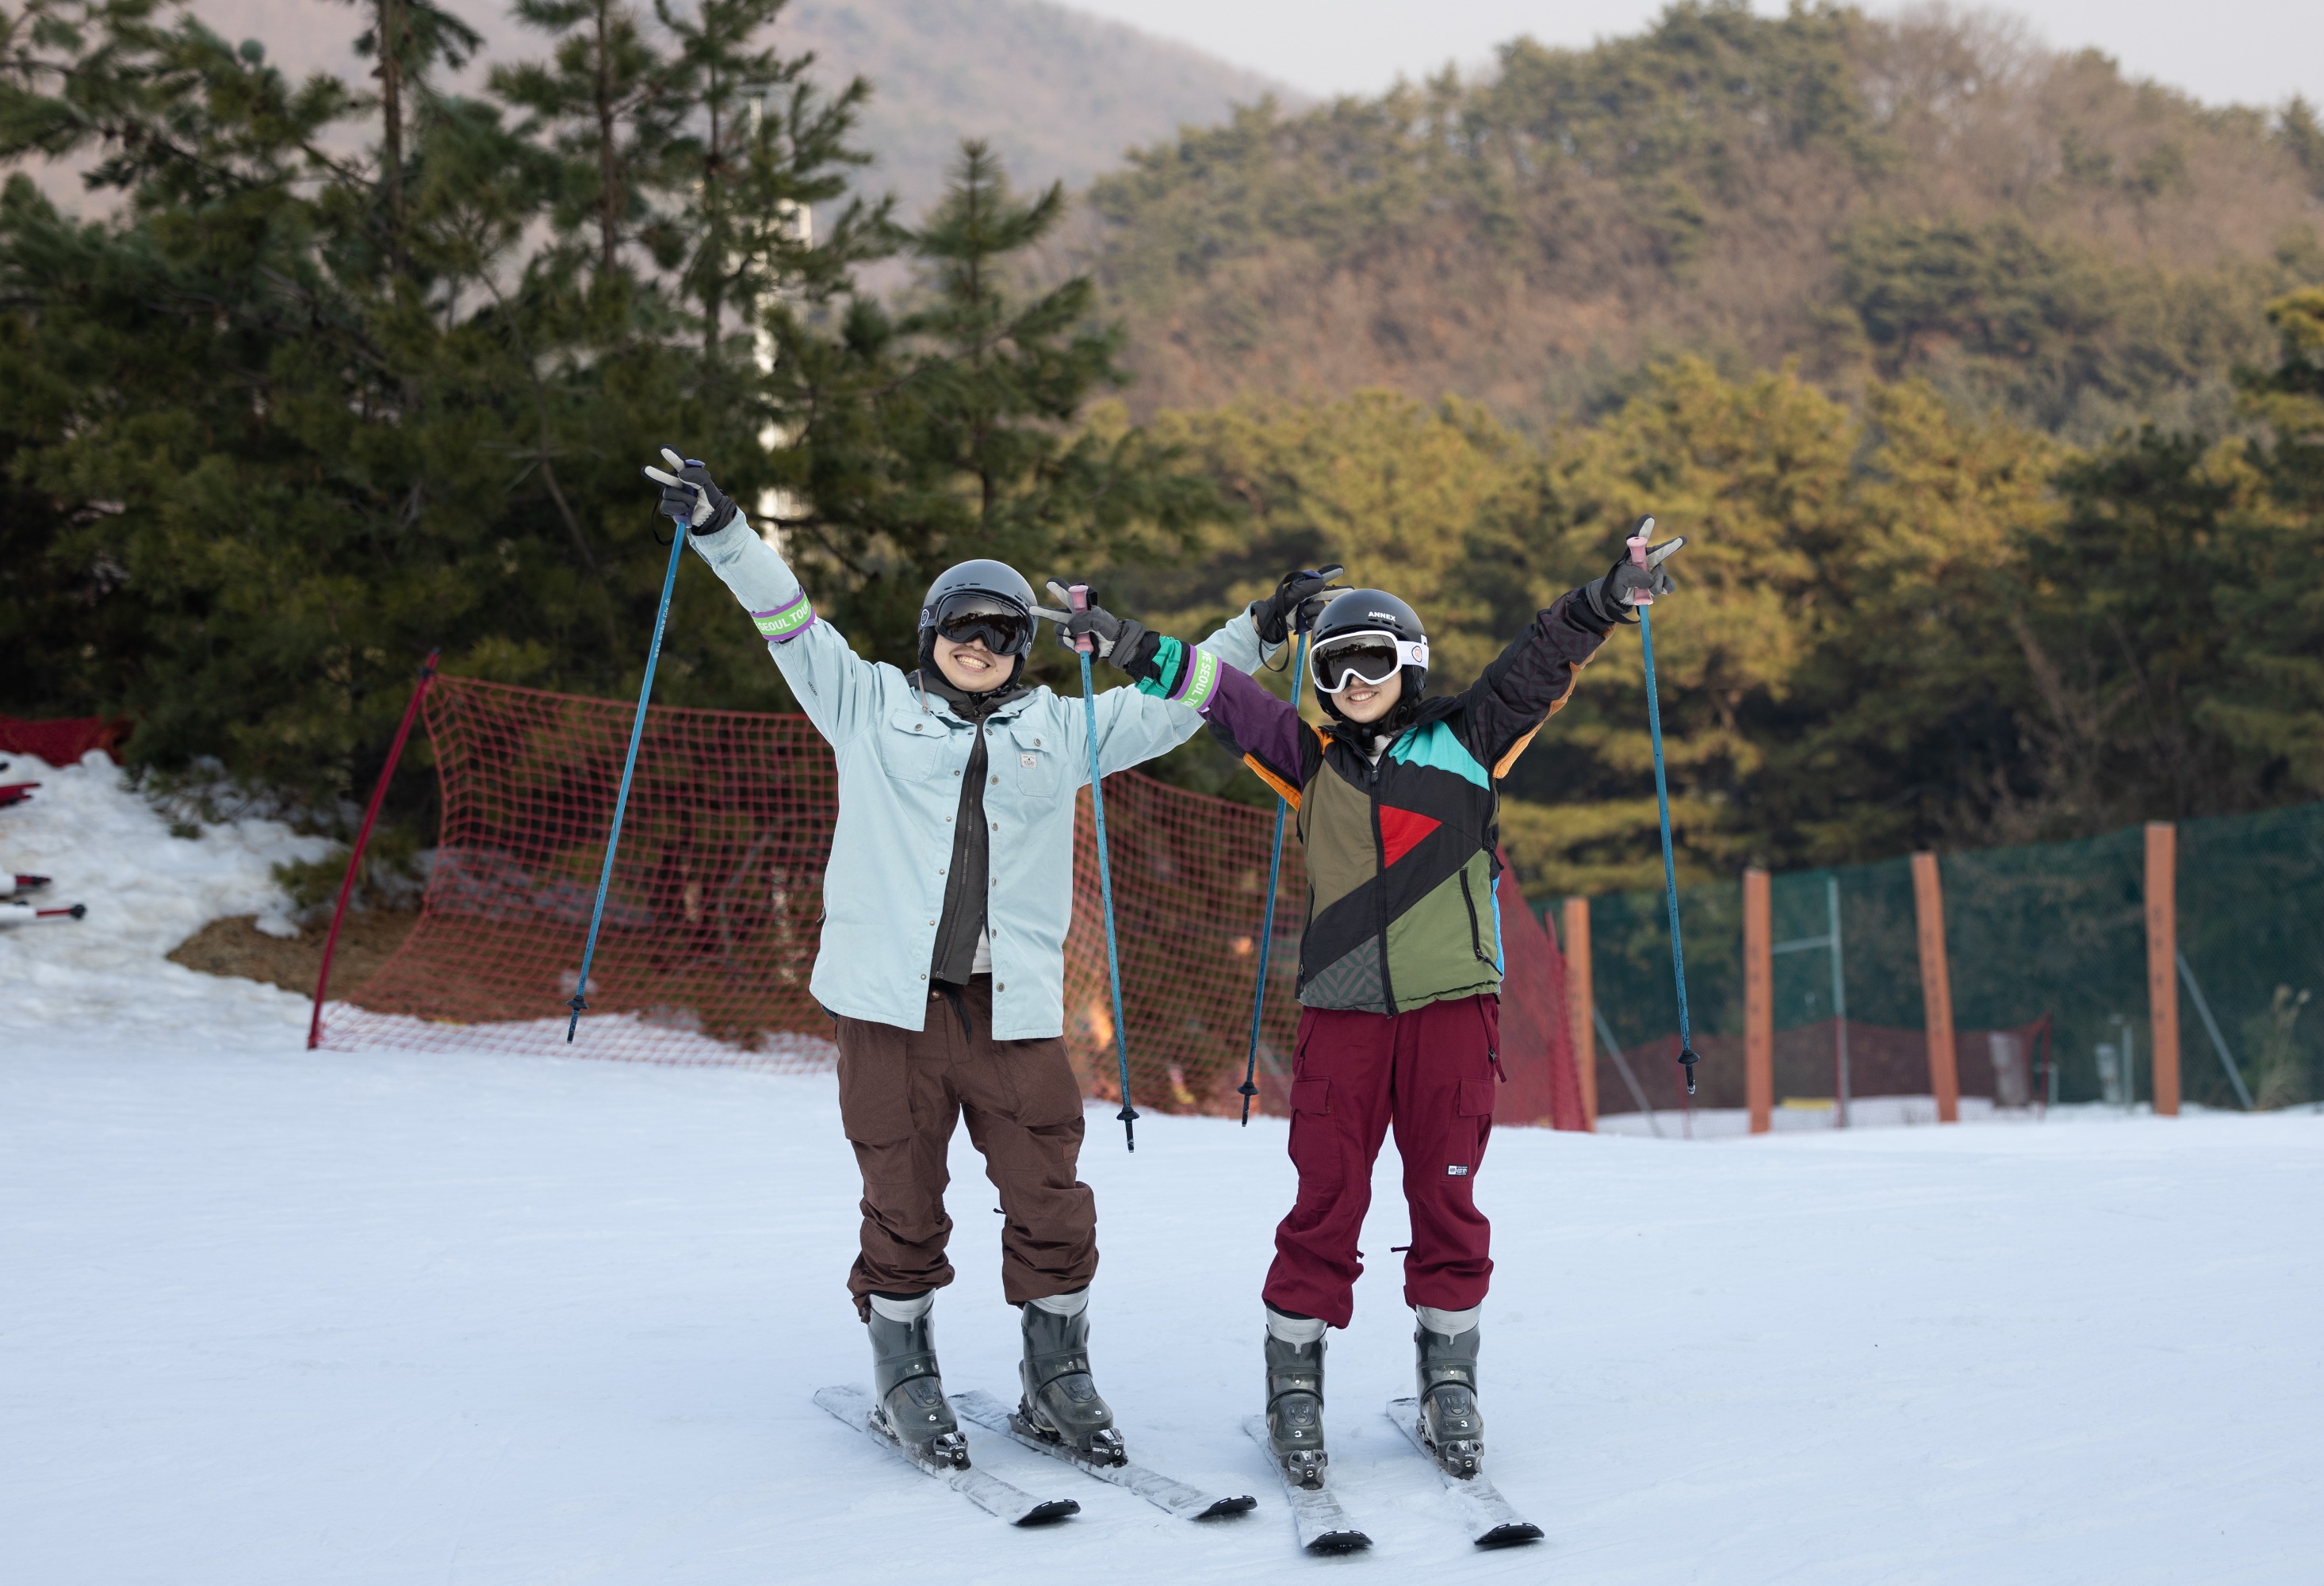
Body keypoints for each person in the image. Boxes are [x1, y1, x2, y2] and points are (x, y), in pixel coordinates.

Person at [642, 450, 1265, 1470]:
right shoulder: (866, 704)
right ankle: (906, 1370)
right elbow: (788, 618)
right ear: (931, 635)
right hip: (889, 1006)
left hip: (1008, 1005)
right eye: (964, 626)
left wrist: (1258, 632)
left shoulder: (1061, 729)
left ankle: (1056, 1374)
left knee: (1050, 1187)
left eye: (1005, 630)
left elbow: (1174, 703)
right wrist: (722, 529)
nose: (982, 644)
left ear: (1025, 648)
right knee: (902, 1188)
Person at [1055, 522, 1685, 1489]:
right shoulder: (1306, 758)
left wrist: (1607, 596)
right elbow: (1215, 692)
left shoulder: (1473, 739)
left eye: (1373, 663)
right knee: (1328, 1198)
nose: (1354, 683)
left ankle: (1449, 1381)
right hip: (1342, 1019)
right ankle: (1294, 1385)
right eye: (1338, 668)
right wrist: (1121, 640)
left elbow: (1540, 659)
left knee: (1445, 1194)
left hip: (1451, 1016)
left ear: (1411, 666)